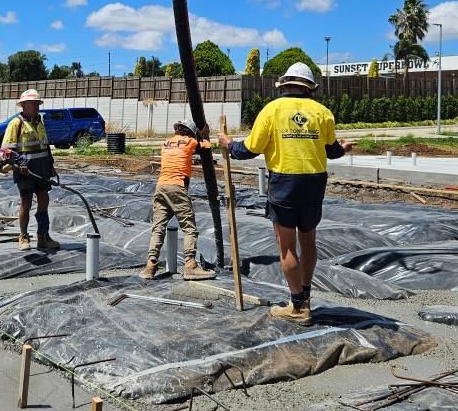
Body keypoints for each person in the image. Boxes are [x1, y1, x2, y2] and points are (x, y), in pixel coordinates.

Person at [217, 62, 352, 324]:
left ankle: (298, 306)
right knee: (309, 241)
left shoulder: (272, 110)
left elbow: (250, 149)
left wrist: (229, 144)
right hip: (314, 183)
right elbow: (330, 149)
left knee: (286, 246)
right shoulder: (322, 112)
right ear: (309, 88)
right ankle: (306, 295)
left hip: (285, 183)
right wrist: (343, 148)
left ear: (284, 86)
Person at [142, 120, 217, 281]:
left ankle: (150, 266)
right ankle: (190, 265)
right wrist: (204, 136)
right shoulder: (191, 141)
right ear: (191, 132)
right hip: (177, 186)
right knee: (189, 228)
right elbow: (207, 146)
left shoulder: (166, 142)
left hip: (161, 187)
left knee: (158, 228)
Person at [1, 89, 60, 251]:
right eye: (33, 104)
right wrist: (19, 165)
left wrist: (51, 166)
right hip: (24, 172)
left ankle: (43, 237)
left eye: (37, 103)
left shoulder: (39, 122)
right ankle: (23, 236)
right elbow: (6, 151)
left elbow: (45, 146)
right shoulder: (16, 124)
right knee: (26, 203)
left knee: (44, 200)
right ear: (24, 105)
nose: (36, 106)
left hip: (41, 170)